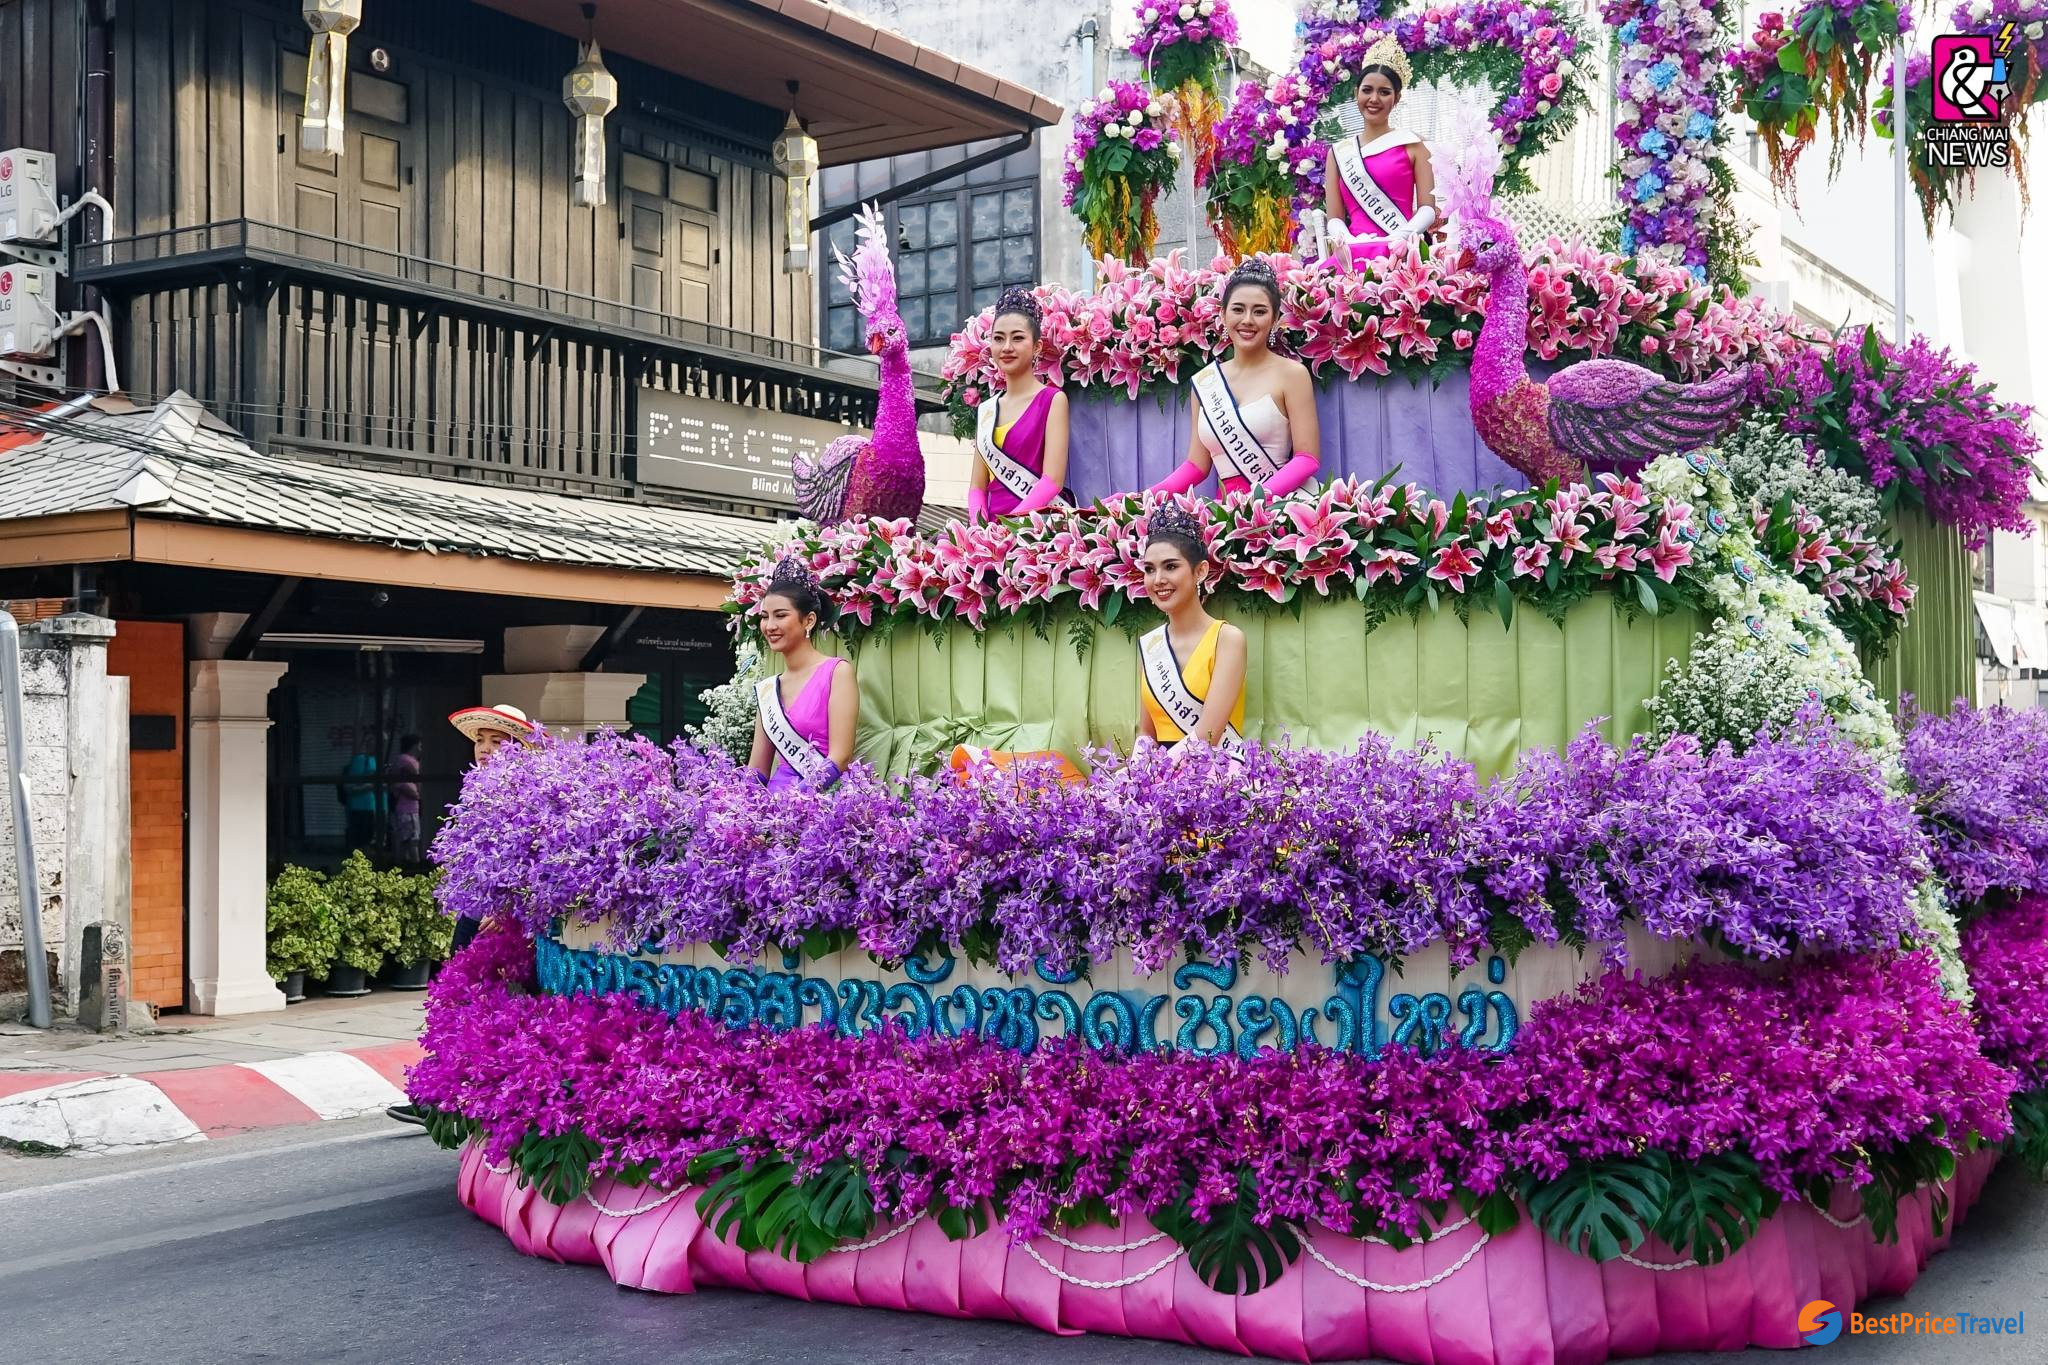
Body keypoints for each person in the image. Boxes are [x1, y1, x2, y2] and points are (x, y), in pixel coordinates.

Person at [389, 703, 541, 1129]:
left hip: (505, 925)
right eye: (480, 741)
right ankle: (438, 1097)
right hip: (474, 916)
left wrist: (510, 908)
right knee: (458, 1004)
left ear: (519, 748)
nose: (486, 749)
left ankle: (476, 1098)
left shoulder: (530, 794)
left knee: (496, 1008)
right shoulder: (477, 790)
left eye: (497, 741)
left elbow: (538, 862)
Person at [1148, 259, 1321, 501]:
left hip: (1277, 509)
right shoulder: (1206, 382)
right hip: (1225, 516)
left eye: (1259, 311)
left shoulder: (1292, 374)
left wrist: (1255, 501)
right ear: (1223, 314)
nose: (1247, 320)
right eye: (1238, 309)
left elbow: (1307, 459)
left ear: (1274, 319)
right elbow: (1196, 466)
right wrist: (1140, 498)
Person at [1135, 503, 1248, 753]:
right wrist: (1136, 771)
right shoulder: (1152, 645)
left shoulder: (1227, 639)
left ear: (1200, 571)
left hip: (1212, 775)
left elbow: (1208, 736)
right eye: (1149, 570)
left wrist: (1158, 774)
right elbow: (1146, 731)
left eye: (1171, 566)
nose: (1158, 579)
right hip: (1159, 779)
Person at [1321, 34, 1439, 269]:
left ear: (1396, 98)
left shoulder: (1414, 145)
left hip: (1402, 253)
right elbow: (1334, 217)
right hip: (1352, 254)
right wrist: (1347, 241)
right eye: (1367, 90)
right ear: (1356, 93)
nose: (1374, 98)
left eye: (1384, 92)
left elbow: (1428, 207)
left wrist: (1401, 237)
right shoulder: (1339, 153)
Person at [748, 560, 858, 791]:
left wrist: (797, 803)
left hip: (818, 807)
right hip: (771, 810)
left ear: (808, 620)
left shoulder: (837, 672)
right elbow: (757, 768)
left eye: (780, 615)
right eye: (765, 616)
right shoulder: (769, 689)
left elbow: (840, 757)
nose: (769, 626)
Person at [968, 287, 1070, 523]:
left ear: (1037, 347)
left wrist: (1010, 526)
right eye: (999, 338)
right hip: (990, 535)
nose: (1006, 347)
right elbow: (977, 487)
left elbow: (1052, 480)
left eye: (1018, 338)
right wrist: (978, 528)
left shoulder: (1053, 400)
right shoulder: (987, 410)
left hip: (1034, 529)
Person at [390, 733, 422, 864]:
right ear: (414, 746)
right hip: (407, 810)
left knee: (405, 840)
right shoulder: (405, 760)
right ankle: (415, 866)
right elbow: (416, 789)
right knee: (412, 840)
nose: (421, 749)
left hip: (409, 809)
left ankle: (405, 864)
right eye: (420, 746)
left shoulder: (406, 761)